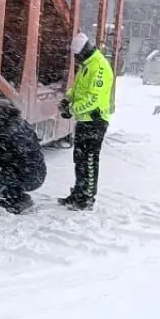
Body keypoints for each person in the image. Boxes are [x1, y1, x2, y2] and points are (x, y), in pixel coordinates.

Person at [59, 32, 113, 211]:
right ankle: (79, 192)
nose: (77, 59)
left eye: (78, 56)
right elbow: (78, 89)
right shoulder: (87, 65)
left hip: (95, 121)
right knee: (80, 159)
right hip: (85, 120)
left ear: (84, 51)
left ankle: (87, 198)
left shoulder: (99, 68)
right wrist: (68, 99)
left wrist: (71, 109)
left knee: (89, 159)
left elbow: (93, 99)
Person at [0, 105, 47, 214]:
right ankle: (15, 194)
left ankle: (19, 199)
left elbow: (4, 155)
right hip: (35, 174)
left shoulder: (9, 135)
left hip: (28, 176)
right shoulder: (20, 125)